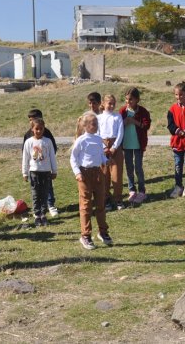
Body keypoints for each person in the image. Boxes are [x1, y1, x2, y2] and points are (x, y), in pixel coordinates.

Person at [70, 112, 112, 250]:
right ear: (86, 126)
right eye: (94, 124)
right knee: (86, 206)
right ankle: (86, 235)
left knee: (100, 204)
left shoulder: (98, 140)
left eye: (97, 124)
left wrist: (106, 160)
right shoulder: (81, 140)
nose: (96, 126)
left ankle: (103, 232)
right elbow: (73, 158)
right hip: (85, 175)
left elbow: (100, 156)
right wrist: (77, 173)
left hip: (98, 174)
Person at [23, 109, 59, 217]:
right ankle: (37, 210)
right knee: (36, 190)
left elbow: (53, 150)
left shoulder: (47, 134)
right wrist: (25, 170)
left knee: (48, 187)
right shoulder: (28, 135)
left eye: (33, 119)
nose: (38, 131)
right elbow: (25, 153)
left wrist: (52, 168)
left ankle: (50, 205)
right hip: (34, 168)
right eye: (30, 120)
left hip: (46, 168)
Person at [119, 87, 152, 204]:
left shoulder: (143, 111)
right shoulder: (122, 111)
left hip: (138, 144)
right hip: (126, 145)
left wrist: (134, 121)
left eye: (131, 100)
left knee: (138, 167)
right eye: (126, 100)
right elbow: (117, 127)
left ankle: (142, 191)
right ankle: (132, 190)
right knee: (129, 168)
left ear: (137, 99)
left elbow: (146, 126)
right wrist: (124, 122)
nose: (128, 102)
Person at [98, 94, 125, 211]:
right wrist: (103, 146)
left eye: (113, 103)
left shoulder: (117, 116)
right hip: (102, 147)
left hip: (115, 147)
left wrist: (114, 147)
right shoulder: (99, 118)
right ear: (103, 104)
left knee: (116, 175)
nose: (111, 106)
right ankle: (106, 199)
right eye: (109, 103)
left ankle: (118, 199)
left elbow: (120, 133)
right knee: (104, 175)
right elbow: (97, 133)